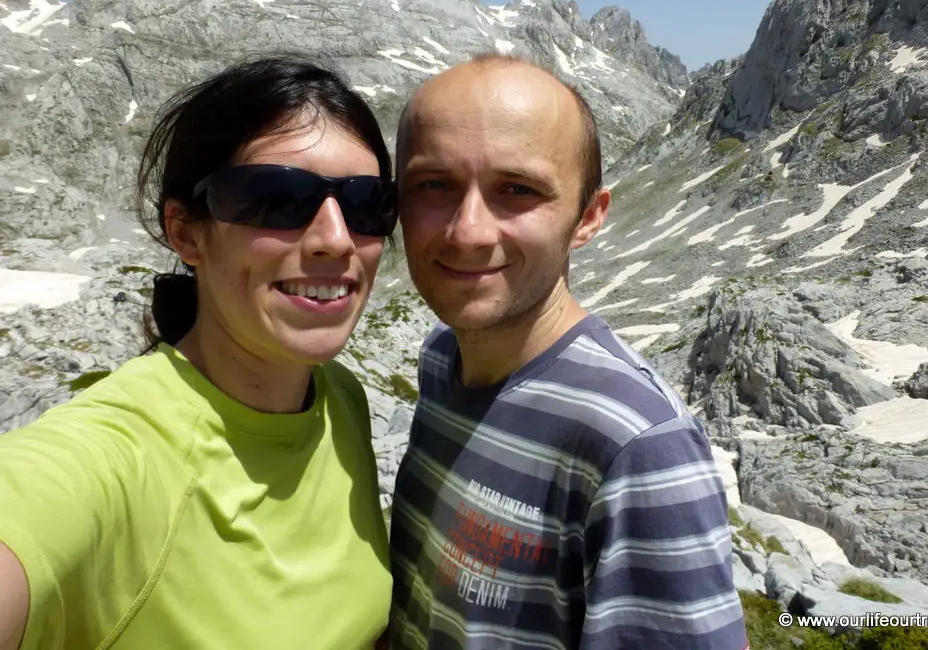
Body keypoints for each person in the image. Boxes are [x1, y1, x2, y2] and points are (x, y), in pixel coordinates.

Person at [0, 55, 398, 649]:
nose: (336, 239)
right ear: (186, 233)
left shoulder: (340, 399)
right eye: (276, 199)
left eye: (368, 204)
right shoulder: (107, 458)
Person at [387, 53, 750, 649]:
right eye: (434, 185)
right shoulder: (440, 362)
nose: (468, 231)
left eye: (517, 190)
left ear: (588, 218)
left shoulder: (637, 445)